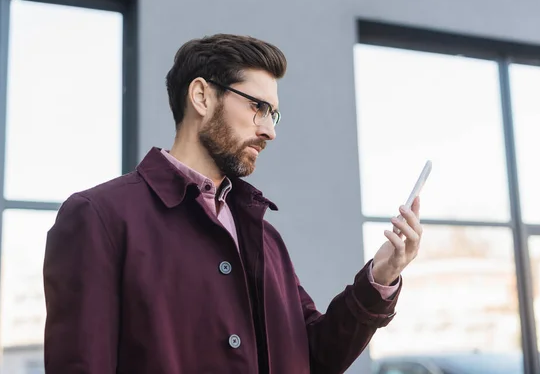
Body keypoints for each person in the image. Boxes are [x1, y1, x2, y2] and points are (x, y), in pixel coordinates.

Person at [43, 34, 423, 374]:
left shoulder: (264, 237)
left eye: (273, 114)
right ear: (202, 96)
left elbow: (315, 356)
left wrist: (382, 276)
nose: (269, 130)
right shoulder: (99, 217)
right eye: (258, 106)